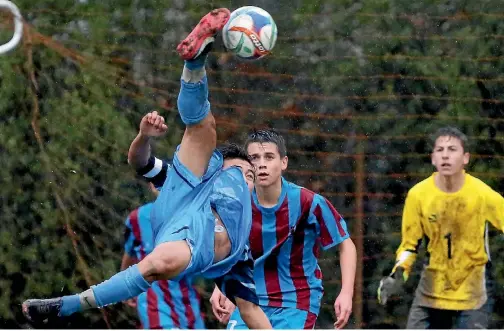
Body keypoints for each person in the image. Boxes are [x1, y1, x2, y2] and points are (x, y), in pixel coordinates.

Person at [22, 8, 272, 329]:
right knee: (203, 127)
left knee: (160, 263)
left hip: (189, 238)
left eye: (248, 175)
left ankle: (67, 305)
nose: (243, 179)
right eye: (239, 171)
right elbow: (140, 163)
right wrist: (143, 136)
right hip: (187, 197)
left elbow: (251, 312)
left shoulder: (240, 253)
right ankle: (194, 62)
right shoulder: (206, 175)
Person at [210, 129, 357, 329]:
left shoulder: (308, 202)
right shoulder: (238, 204)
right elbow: (230, 250)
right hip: (250, 300)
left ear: (284, 162)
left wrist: (346, 293)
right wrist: (221, 288)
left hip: (296, 304)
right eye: (254, 158)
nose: (261, 164)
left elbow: (345, 245)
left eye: (269, 157)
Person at [377, 127, 503, 329]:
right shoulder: (418, 195)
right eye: (440, 150)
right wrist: (397, 274)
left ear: (465, 158)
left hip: (473, 288)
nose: (445, 155)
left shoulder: (482, 194)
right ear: (433, 158)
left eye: (452, 149)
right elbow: (409, 246)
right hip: (432, 289)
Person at [121, 187, 206, 329]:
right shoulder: (138, 218)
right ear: (152, 185)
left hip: (189, 307)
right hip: (155, 306)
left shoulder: (196, 219)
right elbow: (129, 255)